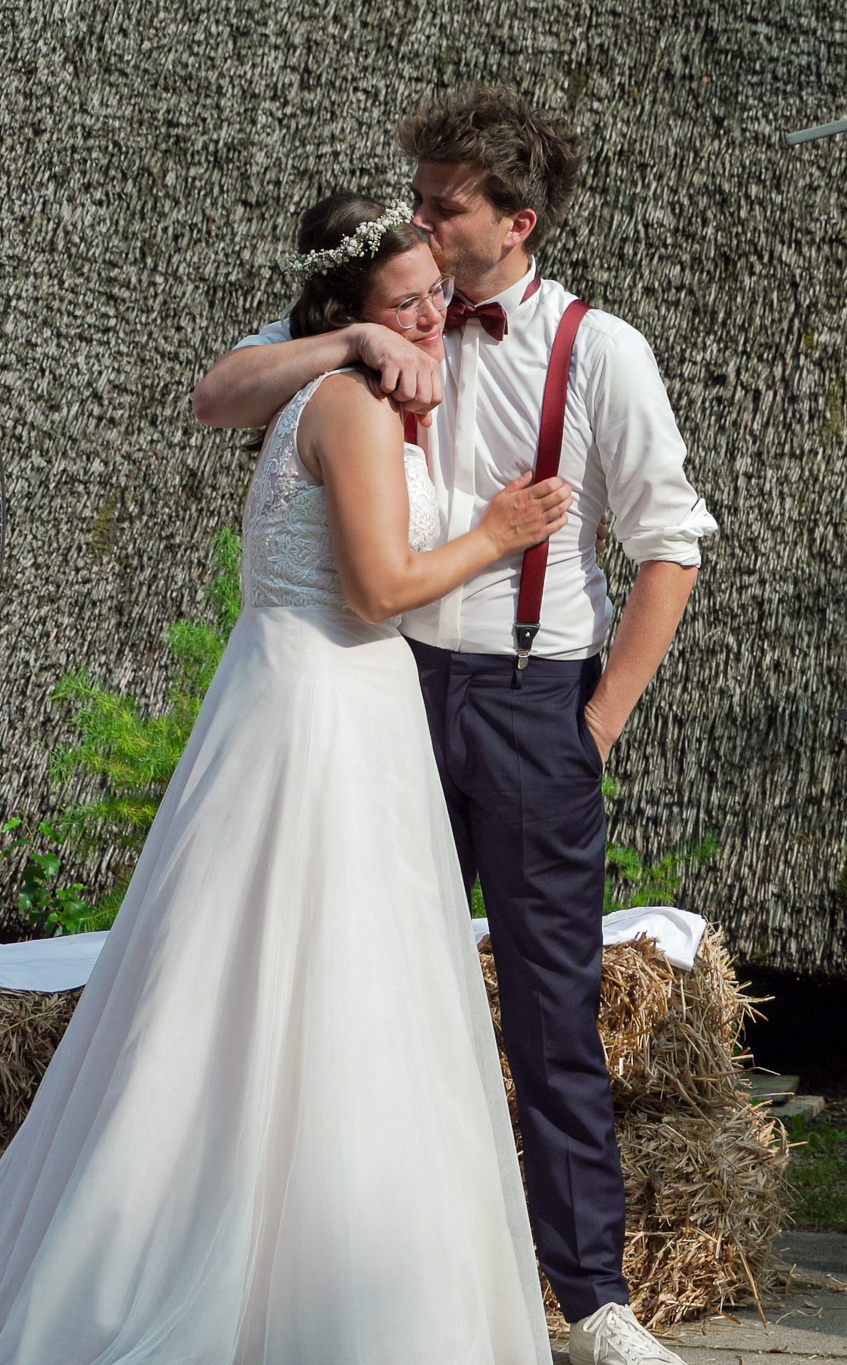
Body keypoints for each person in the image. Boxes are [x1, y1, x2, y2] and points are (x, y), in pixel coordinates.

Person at [0, 194, 572, 1362]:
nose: (430, 312)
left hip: (287, 695)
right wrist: (499, 532)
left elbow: (231, 396)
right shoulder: (352, 402)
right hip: (327, 705)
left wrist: (379, 341)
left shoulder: (315, 379)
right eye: (402, 300)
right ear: (346, 308)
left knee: (253, 969)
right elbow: (376, 593)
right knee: (334, 975)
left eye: (432, 293)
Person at [194, 88, 715, 1365]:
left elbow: (671, 546)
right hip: (388, 695)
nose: (417, 220)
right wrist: (345, 347)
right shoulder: (389, 298)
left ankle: (590, 1303)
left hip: (536, 703)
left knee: (551, 1014)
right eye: (417, 202)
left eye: (444, 206)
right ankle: (362, 1277)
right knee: (375, 992)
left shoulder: (603, 352)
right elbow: (222, 389)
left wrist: (594, 726)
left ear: (516, 224)